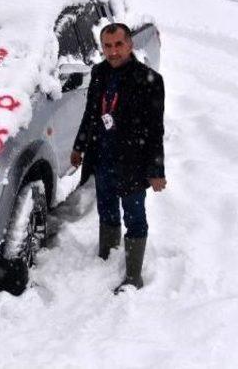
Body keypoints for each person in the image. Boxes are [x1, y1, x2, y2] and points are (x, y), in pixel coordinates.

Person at [70, 23, 166, 294]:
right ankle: (107, 255)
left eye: (118, 45)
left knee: (135, 215)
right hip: (102, 156)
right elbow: (91, 114)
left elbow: (155, 129)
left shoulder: (149, 80)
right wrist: (79, 148)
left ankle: (134, 276)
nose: (113, 52)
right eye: (107, 46)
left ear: (130, 45)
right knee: (107, 208)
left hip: (133, 162)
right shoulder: (99, 72)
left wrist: (156, 170)